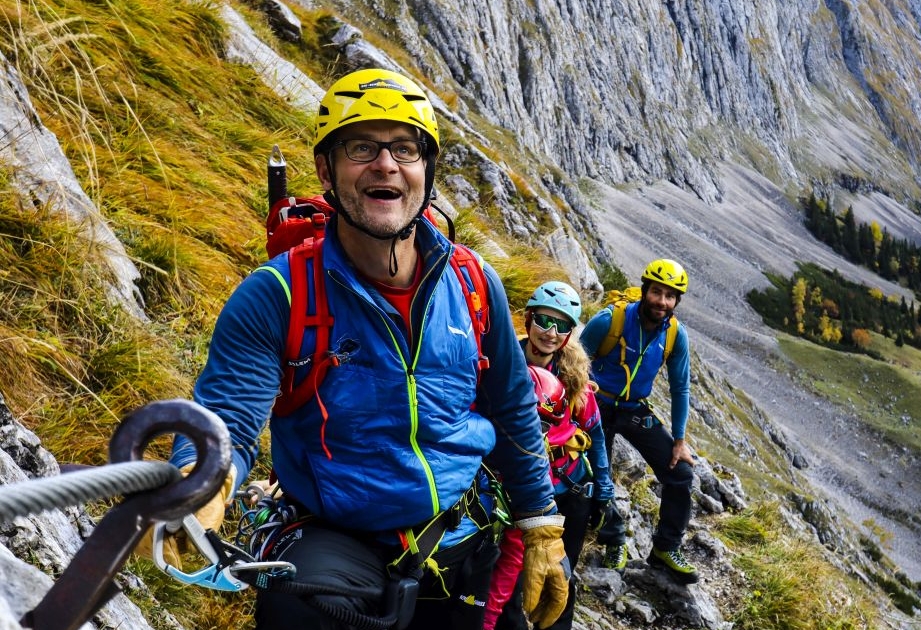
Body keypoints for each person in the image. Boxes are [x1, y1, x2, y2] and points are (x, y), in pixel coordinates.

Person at [161, 68, 570, 630]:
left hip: (463, 531)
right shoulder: (280, 294)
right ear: (326, 169)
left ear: (427, 170)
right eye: (362, 147)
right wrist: (202, 476)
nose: (386, 164)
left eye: (405, 148)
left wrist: (540, 521)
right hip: (338, 540)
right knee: (292, 611)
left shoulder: (474, 285)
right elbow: (228, 410)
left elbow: (511, 405)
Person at [485, 281, 615, 630]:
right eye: (544, 320)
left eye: (562, 326)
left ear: (571, 333)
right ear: (528, 319)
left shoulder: (575, 381)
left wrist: (604, 491)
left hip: (564, 491)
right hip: (507, 490)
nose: (551, 332)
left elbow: (596, 434)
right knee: (507, 576)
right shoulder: (500, 361)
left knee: (560, 576)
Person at [579, 259, 698, 584]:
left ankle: (665, 548)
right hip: (595, 405)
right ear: (645, 291)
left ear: (676, 302)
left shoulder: (675, 336)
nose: (662, 301)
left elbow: (680, 387)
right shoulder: (610, 320)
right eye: (657, 292)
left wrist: (679, 440)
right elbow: (574, 361)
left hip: (634, 408)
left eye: (670, 296)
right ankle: (614, 538)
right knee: (592, 475)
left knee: (680, 474)